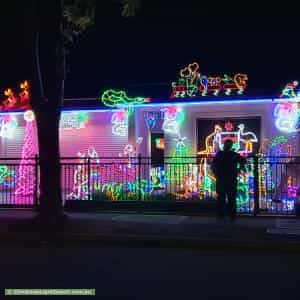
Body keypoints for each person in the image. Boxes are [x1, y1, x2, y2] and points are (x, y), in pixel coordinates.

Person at [211, 139, 247, 221]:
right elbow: (244, 161)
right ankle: (232, 216)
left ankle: (221, 215)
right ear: (231, 146)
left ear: (224, 146)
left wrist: (216, 174)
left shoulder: (219, 154)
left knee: (221, 198)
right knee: (231, 198)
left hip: (221, 179)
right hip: (231, 179)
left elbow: (213, 165)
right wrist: (238, 170)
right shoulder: (233, 154)